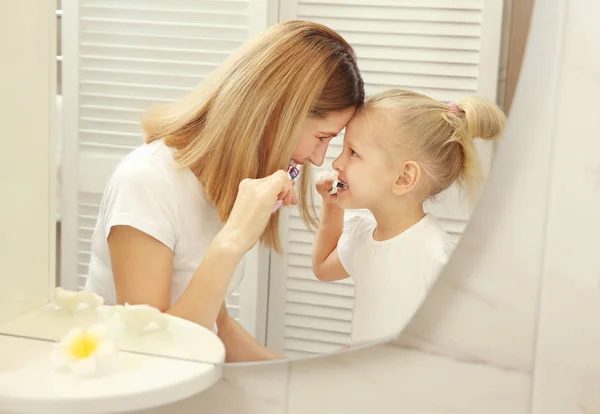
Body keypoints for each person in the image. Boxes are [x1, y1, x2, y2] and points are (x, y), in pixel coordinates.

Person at [84, 20, 364, 362]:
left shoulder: (217, 183)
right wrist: (232, 240)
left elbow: (220, 329)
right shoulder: (146, 182)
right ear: (274, 114)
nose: (320, 158)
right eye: (322, 137)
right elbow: (149, 356)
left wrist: (308, 377)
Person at [312, 89, 506, 346]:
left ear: (404, 178)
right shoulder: (362, 237)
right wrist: (332, 205)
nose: (336, 162)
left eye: (353, 153)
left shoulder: (436, 257)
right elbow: (323, 267)